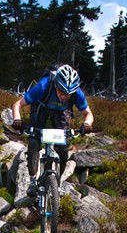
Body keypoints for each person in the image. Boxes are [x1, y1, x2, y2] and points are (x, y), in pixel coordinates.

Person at [11, 64, 94, 197]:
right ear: (56, 85)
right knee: (34, 143)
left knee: (63, 149)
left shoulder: (76, 93)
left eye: (68, 94)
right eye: (61, 92)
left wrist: (87, 124)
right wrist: (17, 119)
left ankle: (58, 182)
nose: (64, 97)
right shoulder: (43, 86)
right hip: (40, 109)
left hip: (61, 113)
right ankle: (32, 181)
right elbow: (17, 104)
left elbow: (88, 113)